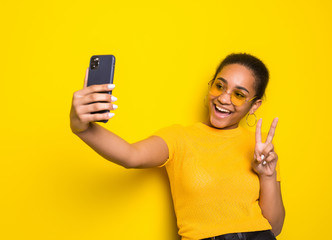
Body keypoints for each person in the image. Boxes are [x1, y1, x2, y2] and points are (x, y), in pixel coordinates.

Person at [70, 53, 285, 240]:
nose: (223, 98)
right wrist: (83, 128)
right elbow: (130, 156)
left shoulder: (261, 146)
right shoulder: (179, 138)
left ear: (254, 105)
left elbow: (274, 227)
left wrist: (268, 174)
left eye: (238, 95)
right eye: (219, 86)